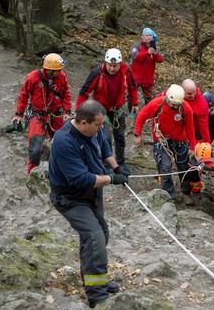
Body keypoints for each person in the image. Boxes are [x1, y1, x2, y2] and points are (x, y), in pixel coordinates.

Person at [48, 100, 129, 308]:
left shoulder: (94, 129)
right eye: (98, 125)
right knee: (94, 238)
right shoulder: (64, 141)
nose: (101, 128)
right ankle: (97, 296)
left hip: (92, 194)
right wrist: (112, 179)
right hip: (70, 198)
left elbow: (104, 147)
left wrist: (116, 167)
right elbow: (80, 179)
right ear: (83, 122)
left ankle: (97, 279)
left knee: (101, 233)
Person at [134, 84, 200, 205]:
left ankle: (186, 192)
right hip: (161, 139)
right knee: (165, 166)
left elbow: (190, 128)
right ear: (167, 99)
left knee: (183, 166)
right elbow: (141, 116)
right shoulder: (157, 104)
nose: (174, 107)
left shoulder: (185, 108)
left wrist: (192, 147)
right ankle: (168, 193)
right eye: (172, 104)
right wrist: (138, 134)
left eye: (177, 105)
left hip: (179, 139)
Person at [76, 48, 138, 167]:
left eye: (115, 66)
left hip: (118, 109)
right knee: (106, 137)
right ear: (105, 63)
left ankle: (120, 162)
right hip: (100, 110)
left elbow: (132, 87)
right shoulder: (97, 73)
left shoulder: (126, 72)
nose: (112, 68)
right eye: (110, 65)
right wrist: (79, 111)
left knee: (120, 135)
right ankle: (107, 164)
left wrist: (134, 103)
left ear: (120, 64)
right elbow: (84, 92)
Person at [13, 53, 72, 175]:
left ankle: (62, 170)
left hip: (55, 114)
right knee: (35, 149)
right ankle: (31, 173)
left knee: (63, 143)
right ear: (49, 70)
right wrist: (19, 115)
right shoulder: (33, 78)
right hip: (37, 114)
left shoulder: (61, 77)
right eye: (58, 70)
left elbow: (66, 93)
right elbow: (23, 95)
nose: (60, 71)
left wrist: (66, 111)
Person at [130, 28, 163, 105]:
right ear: (142, 37)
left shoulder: (154, 46)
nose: (148, 37)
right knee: (132, 96)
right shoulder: (137, 46)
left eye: (150, 35)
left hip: (148, 79)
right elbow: (136, 56)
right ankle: (133, 112)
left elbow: (160, 60)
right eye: (146, 35)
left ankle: (148, 113)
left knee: (148, 98)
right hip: (135, 77)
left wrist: (155, 53)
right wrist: (147, 52)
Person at [182, 79, 211, 143]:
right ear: (182, 91)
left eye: (194, 92)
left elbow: (204, 126)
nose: (193, 95)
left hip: (192, 130)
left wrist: (207, 142)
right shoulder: (175, 95)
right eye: (189, 94)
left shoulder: (201, 104)